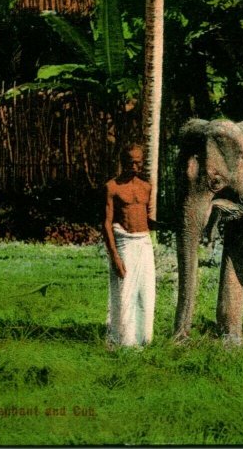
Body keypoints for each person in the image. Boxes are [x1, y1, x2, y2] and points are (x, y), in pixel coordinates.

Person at [103, 144, 157, 348]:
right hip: (124, 242)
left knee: (146, 291)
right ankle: (125, 342)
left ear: (142, 162)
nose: (134, 166)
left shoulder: (147, 186)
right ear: (122, 162)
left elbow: (146, 218)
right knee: (125, 292)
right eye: (129, 162)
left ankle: (144, 340)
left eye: (138, 162)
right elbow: (107, 223)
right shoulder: (112, 187)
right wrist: (115, 256)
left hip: (144, 243)